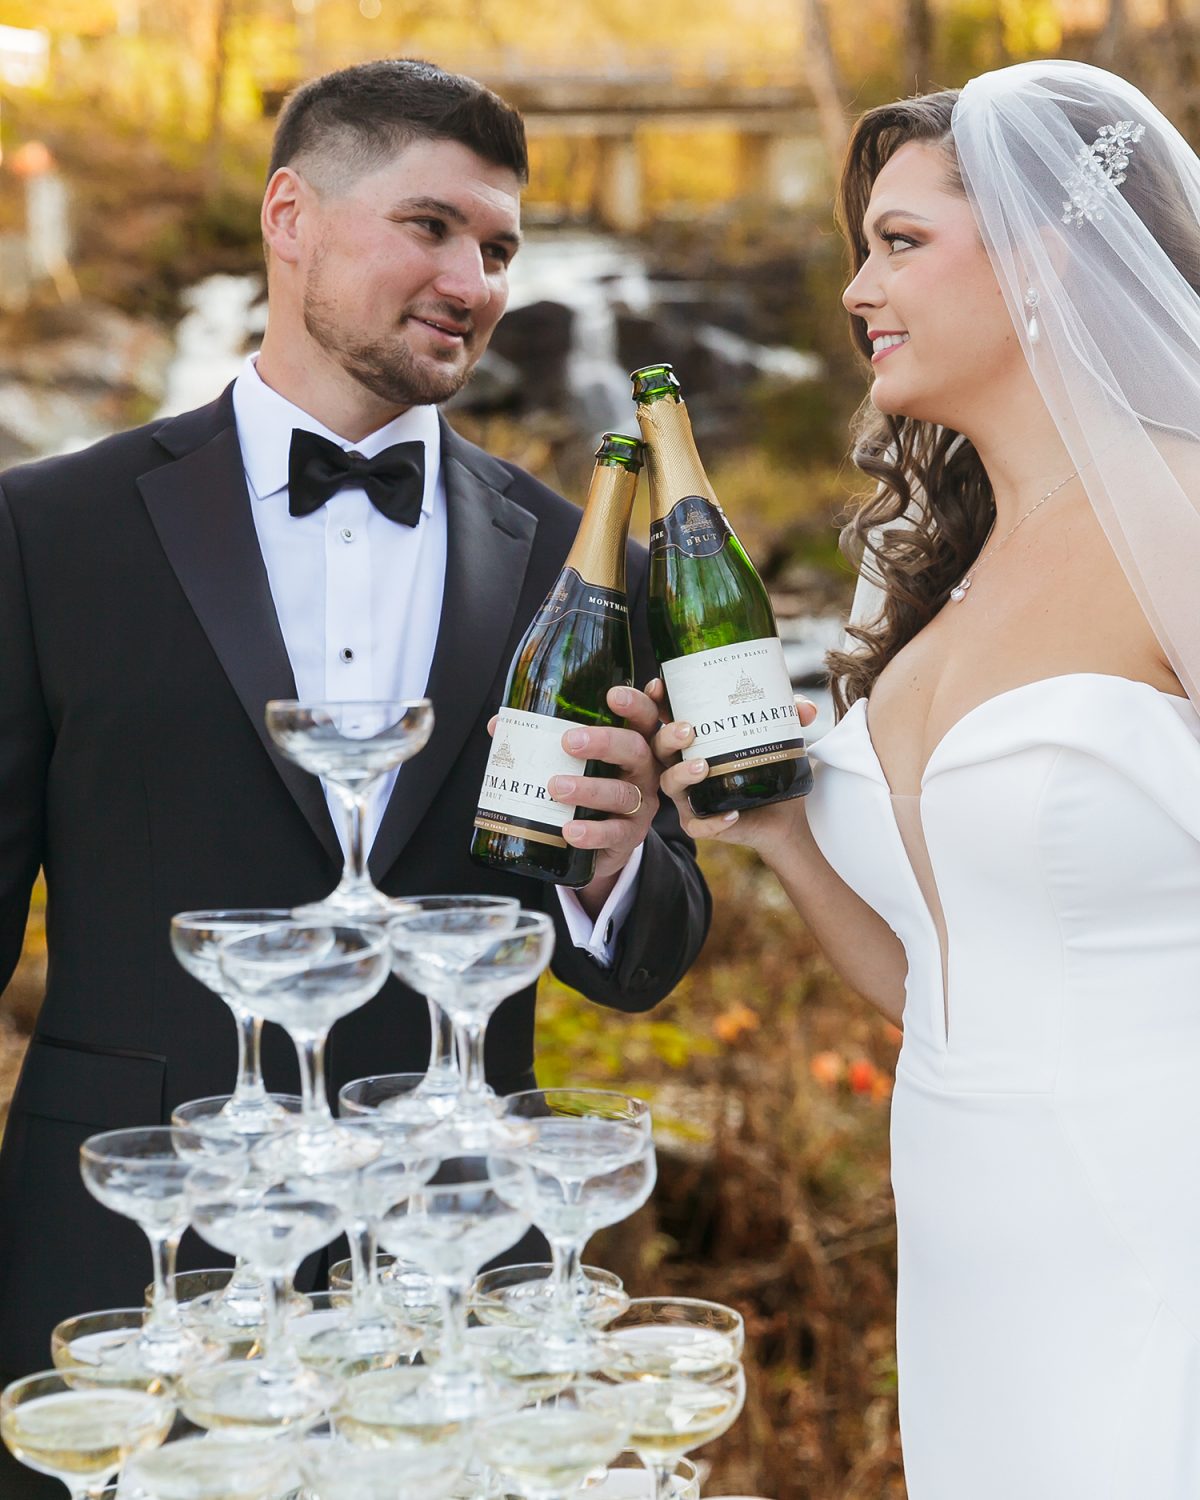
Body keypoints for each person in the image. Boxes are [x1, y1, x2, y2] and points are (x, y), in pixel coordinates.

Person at [0, 57, 709, 1433]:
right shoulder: (45, 531)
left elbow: (653, 951)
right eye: (430, 227)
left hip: (457, 1276)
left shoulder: (577, 554)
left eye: (500, 247)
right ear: (291, 216)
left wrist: (615, 865)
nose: (476, 280)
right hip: (136, 1253)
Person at [658, 59, 1200, 1497]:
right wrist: (777, 834)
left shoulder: (1188, 515)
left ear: (1050, 253)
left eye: (901, 243)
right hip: (967, 1240)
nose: (856, 291)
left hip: (1164, 1213)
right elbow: (945, 987)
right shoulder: (933, 570)